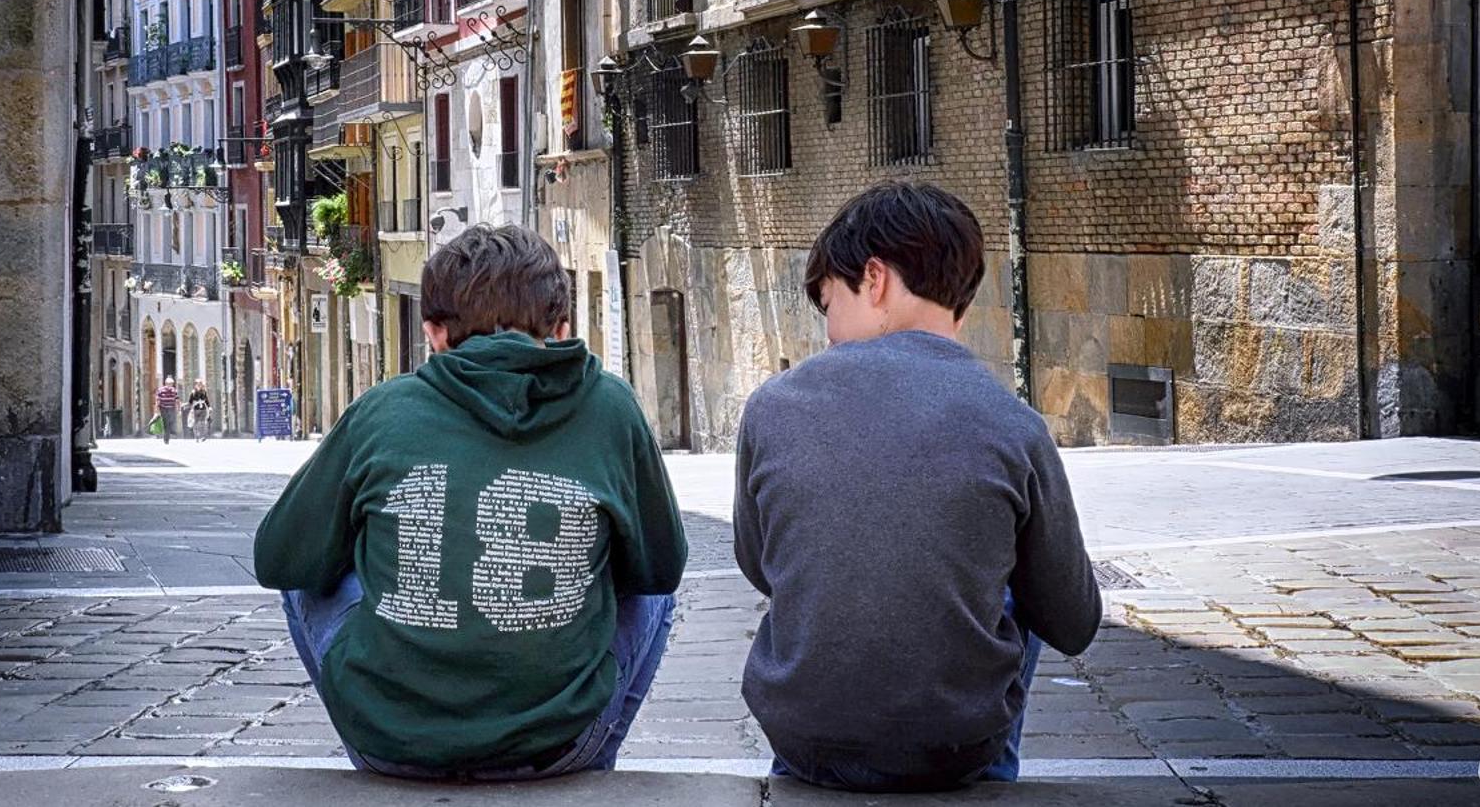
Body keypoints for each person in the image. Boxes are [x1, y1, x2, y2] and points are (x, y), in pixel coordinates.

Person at [255, 224, 687, 780]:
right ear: (561, 328)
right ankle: (589, 756)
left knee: (305, 567)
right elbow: (661, 568)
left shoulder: (383, 409)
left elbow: (277, 558)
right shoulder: (612, 406)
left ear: (433, 334)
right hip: (561, 747)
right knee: (655, 599)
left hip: (389, 746)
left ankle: (390, 717)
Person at [733, 181, 1103, 792]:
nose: (828, 333)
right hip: (953, 748)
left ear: (874, 280)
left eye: (831, 306)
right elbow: (1074, 621)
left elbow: (760, 566)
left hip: (802, 738)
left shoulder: (772, 406)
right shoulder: (1014, 423)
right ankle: (989, 787)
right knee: (1014, 577)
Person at [154, 375, 180, 444]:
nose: (170, 385)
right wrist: (156, 408)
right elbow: (157, 399)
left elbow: (177, 400)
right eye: (169, 384)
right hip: (163, 408)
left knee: (171, 421)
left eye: (171, 384)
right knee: (166, 423)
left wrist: (178, 408)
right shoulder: (160, 390)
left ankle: (167, 434)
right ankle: (166, 438)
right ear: (166, 384)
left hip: (171, 408)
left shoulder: (174, 390)